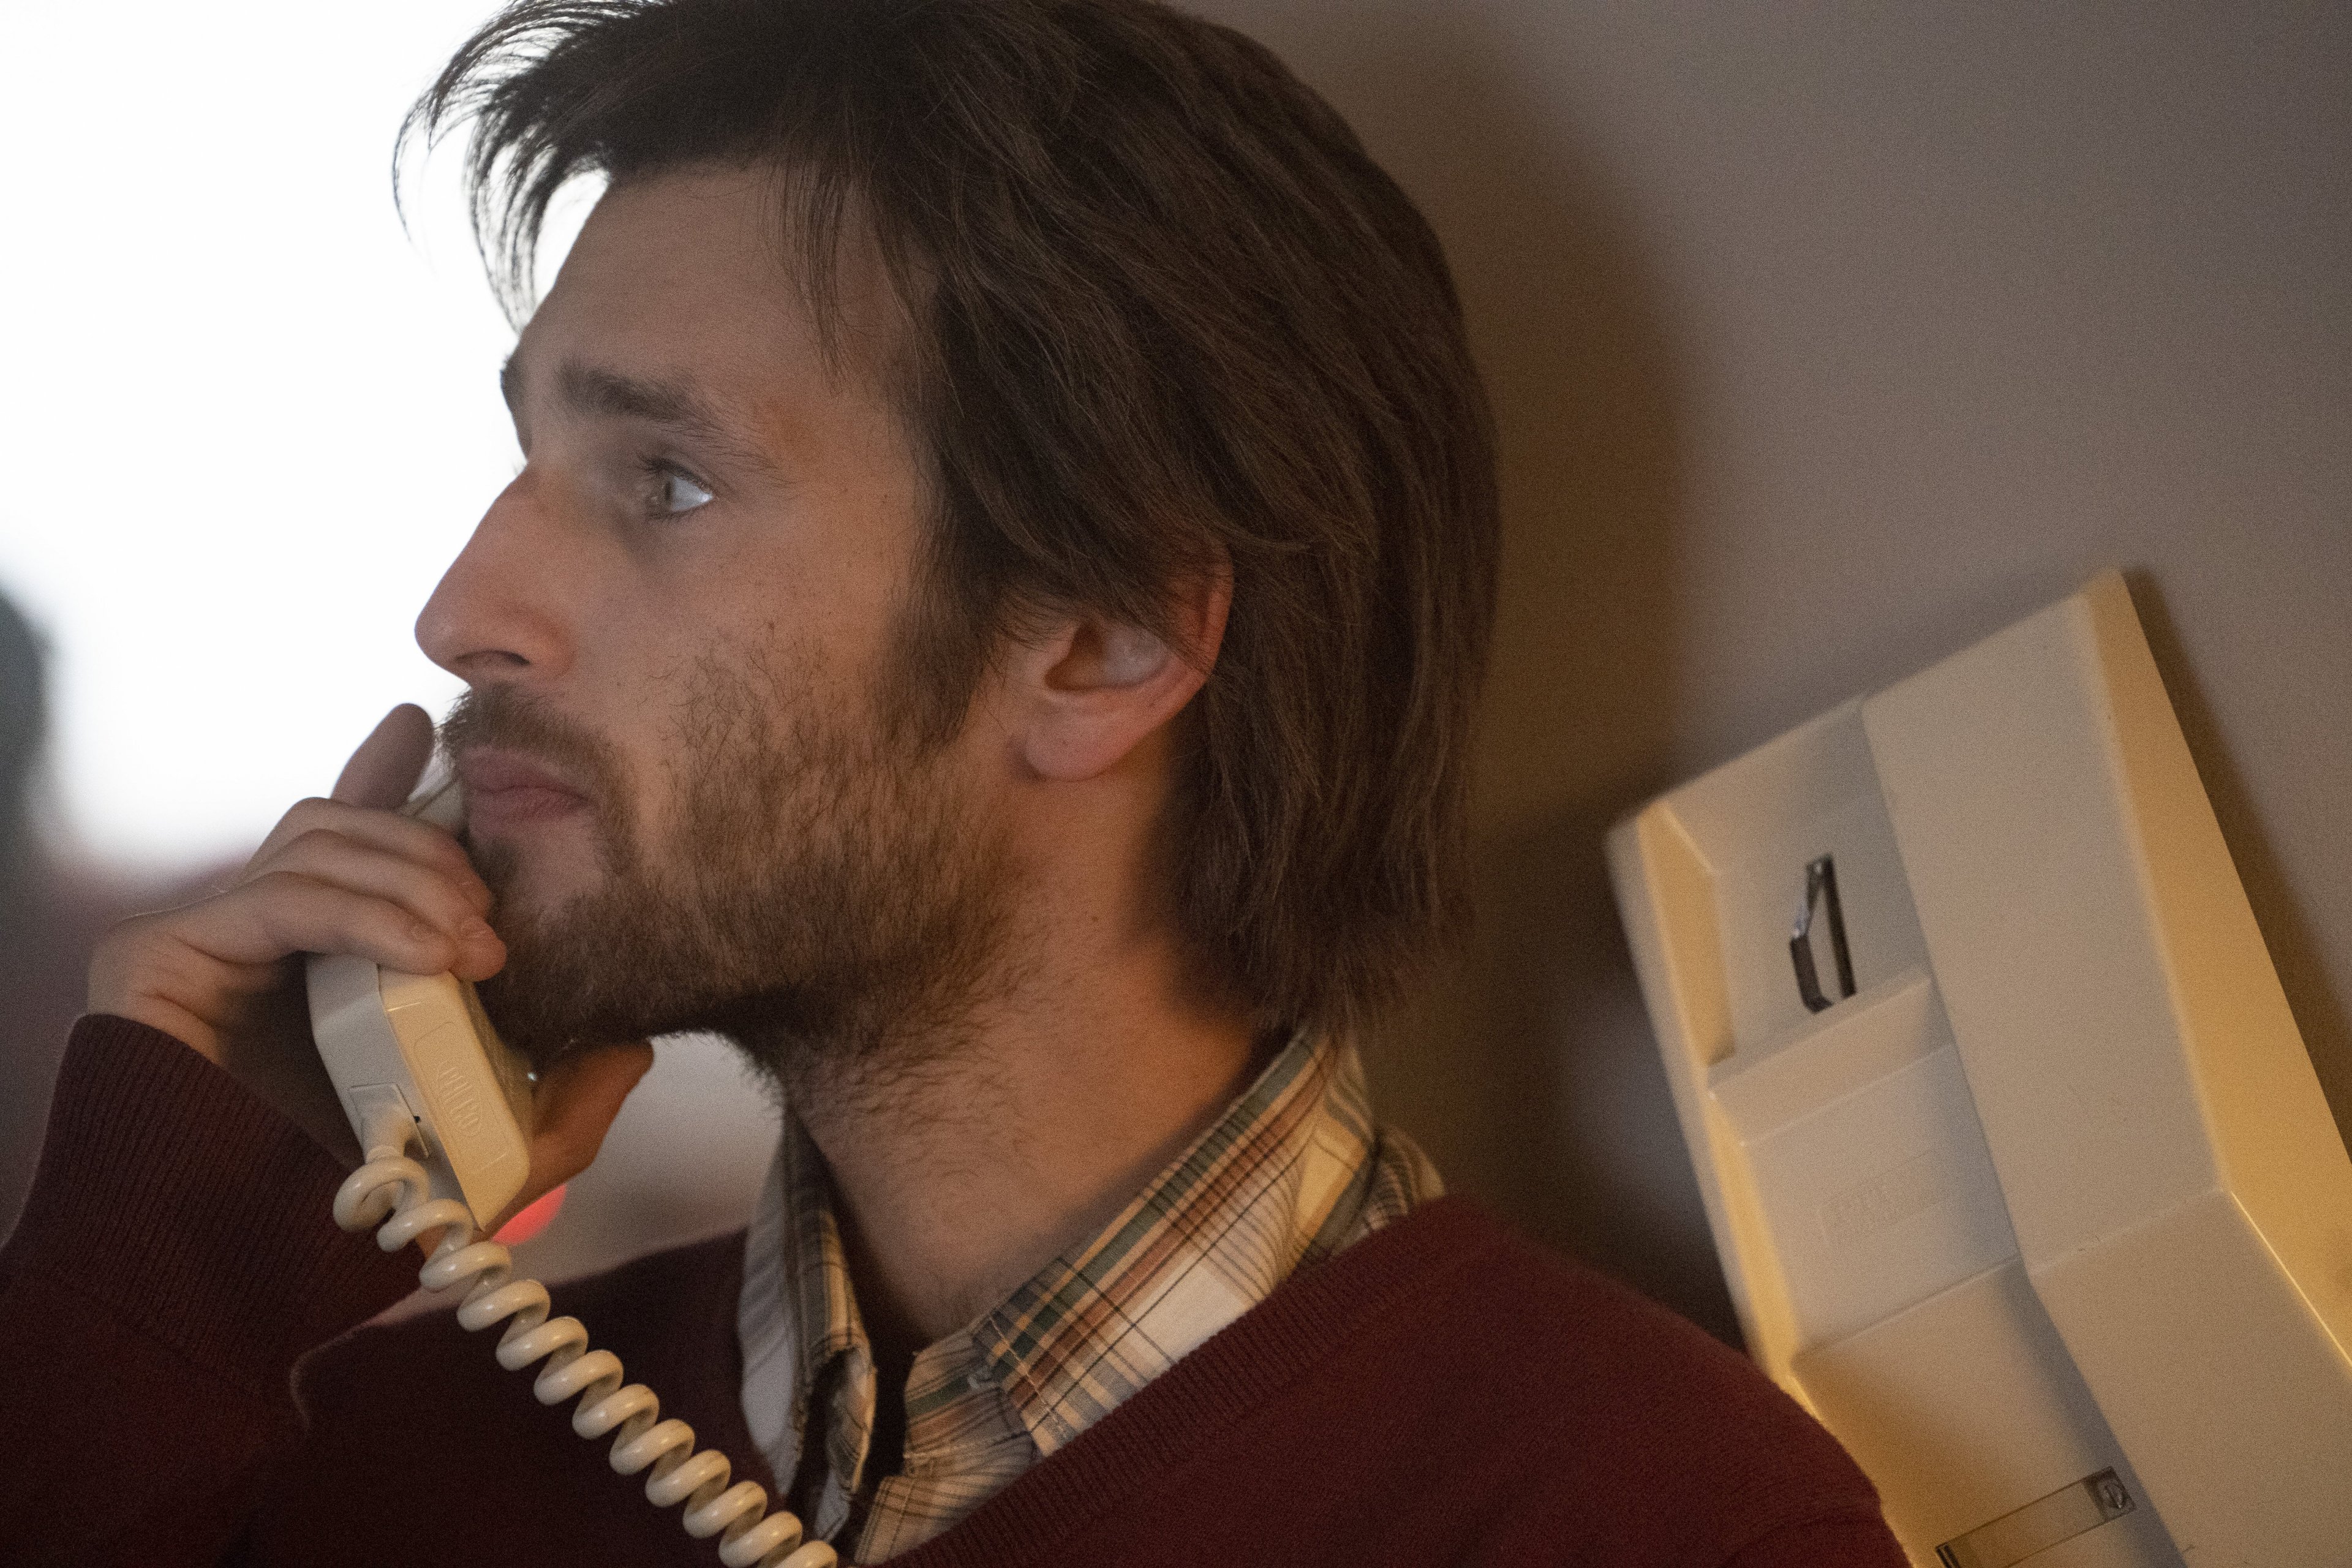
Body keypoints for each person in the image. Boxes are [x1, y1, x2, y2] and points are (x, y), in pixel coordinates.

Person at [0, 2, 1904, 1563]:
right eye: (527, 465)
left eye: (667, 481)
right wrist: (163, 1275)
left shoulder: (1652, 1521)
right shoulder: (400, 1465)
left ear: (1100, 645)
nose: (463, 611)